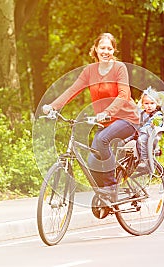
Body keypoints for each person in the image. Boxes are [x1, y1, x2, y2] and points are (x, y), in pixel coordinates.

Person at [42, 33, 139, 200]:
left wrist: (107, 112)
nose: (106, 51)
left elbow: (124, 94)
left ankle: (111, 187)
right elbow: (73, 90)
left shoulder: (119, 68)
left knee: (101, 141)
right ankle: (104, 197)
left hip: (127, 118)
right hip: (106, 122)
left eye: (110, 48)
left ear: (114, 50)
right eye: (102, 48)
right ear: (95, 49)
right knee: (93, 159)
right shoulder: (89, 71)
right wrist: (53, 106)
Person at [137, 86, 164, 170]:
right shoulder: (142, 113)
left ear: (157, 104)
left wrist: (155, 123)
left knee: (141, 140)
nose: (149, 106)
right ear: (142, 104)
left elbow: (159, 123)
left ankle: (144, 161)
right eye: (146, 103)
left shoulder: (157, 114)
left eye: (152, 103)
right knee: (126, 139)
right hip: (140, 132)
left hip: (149, 135)